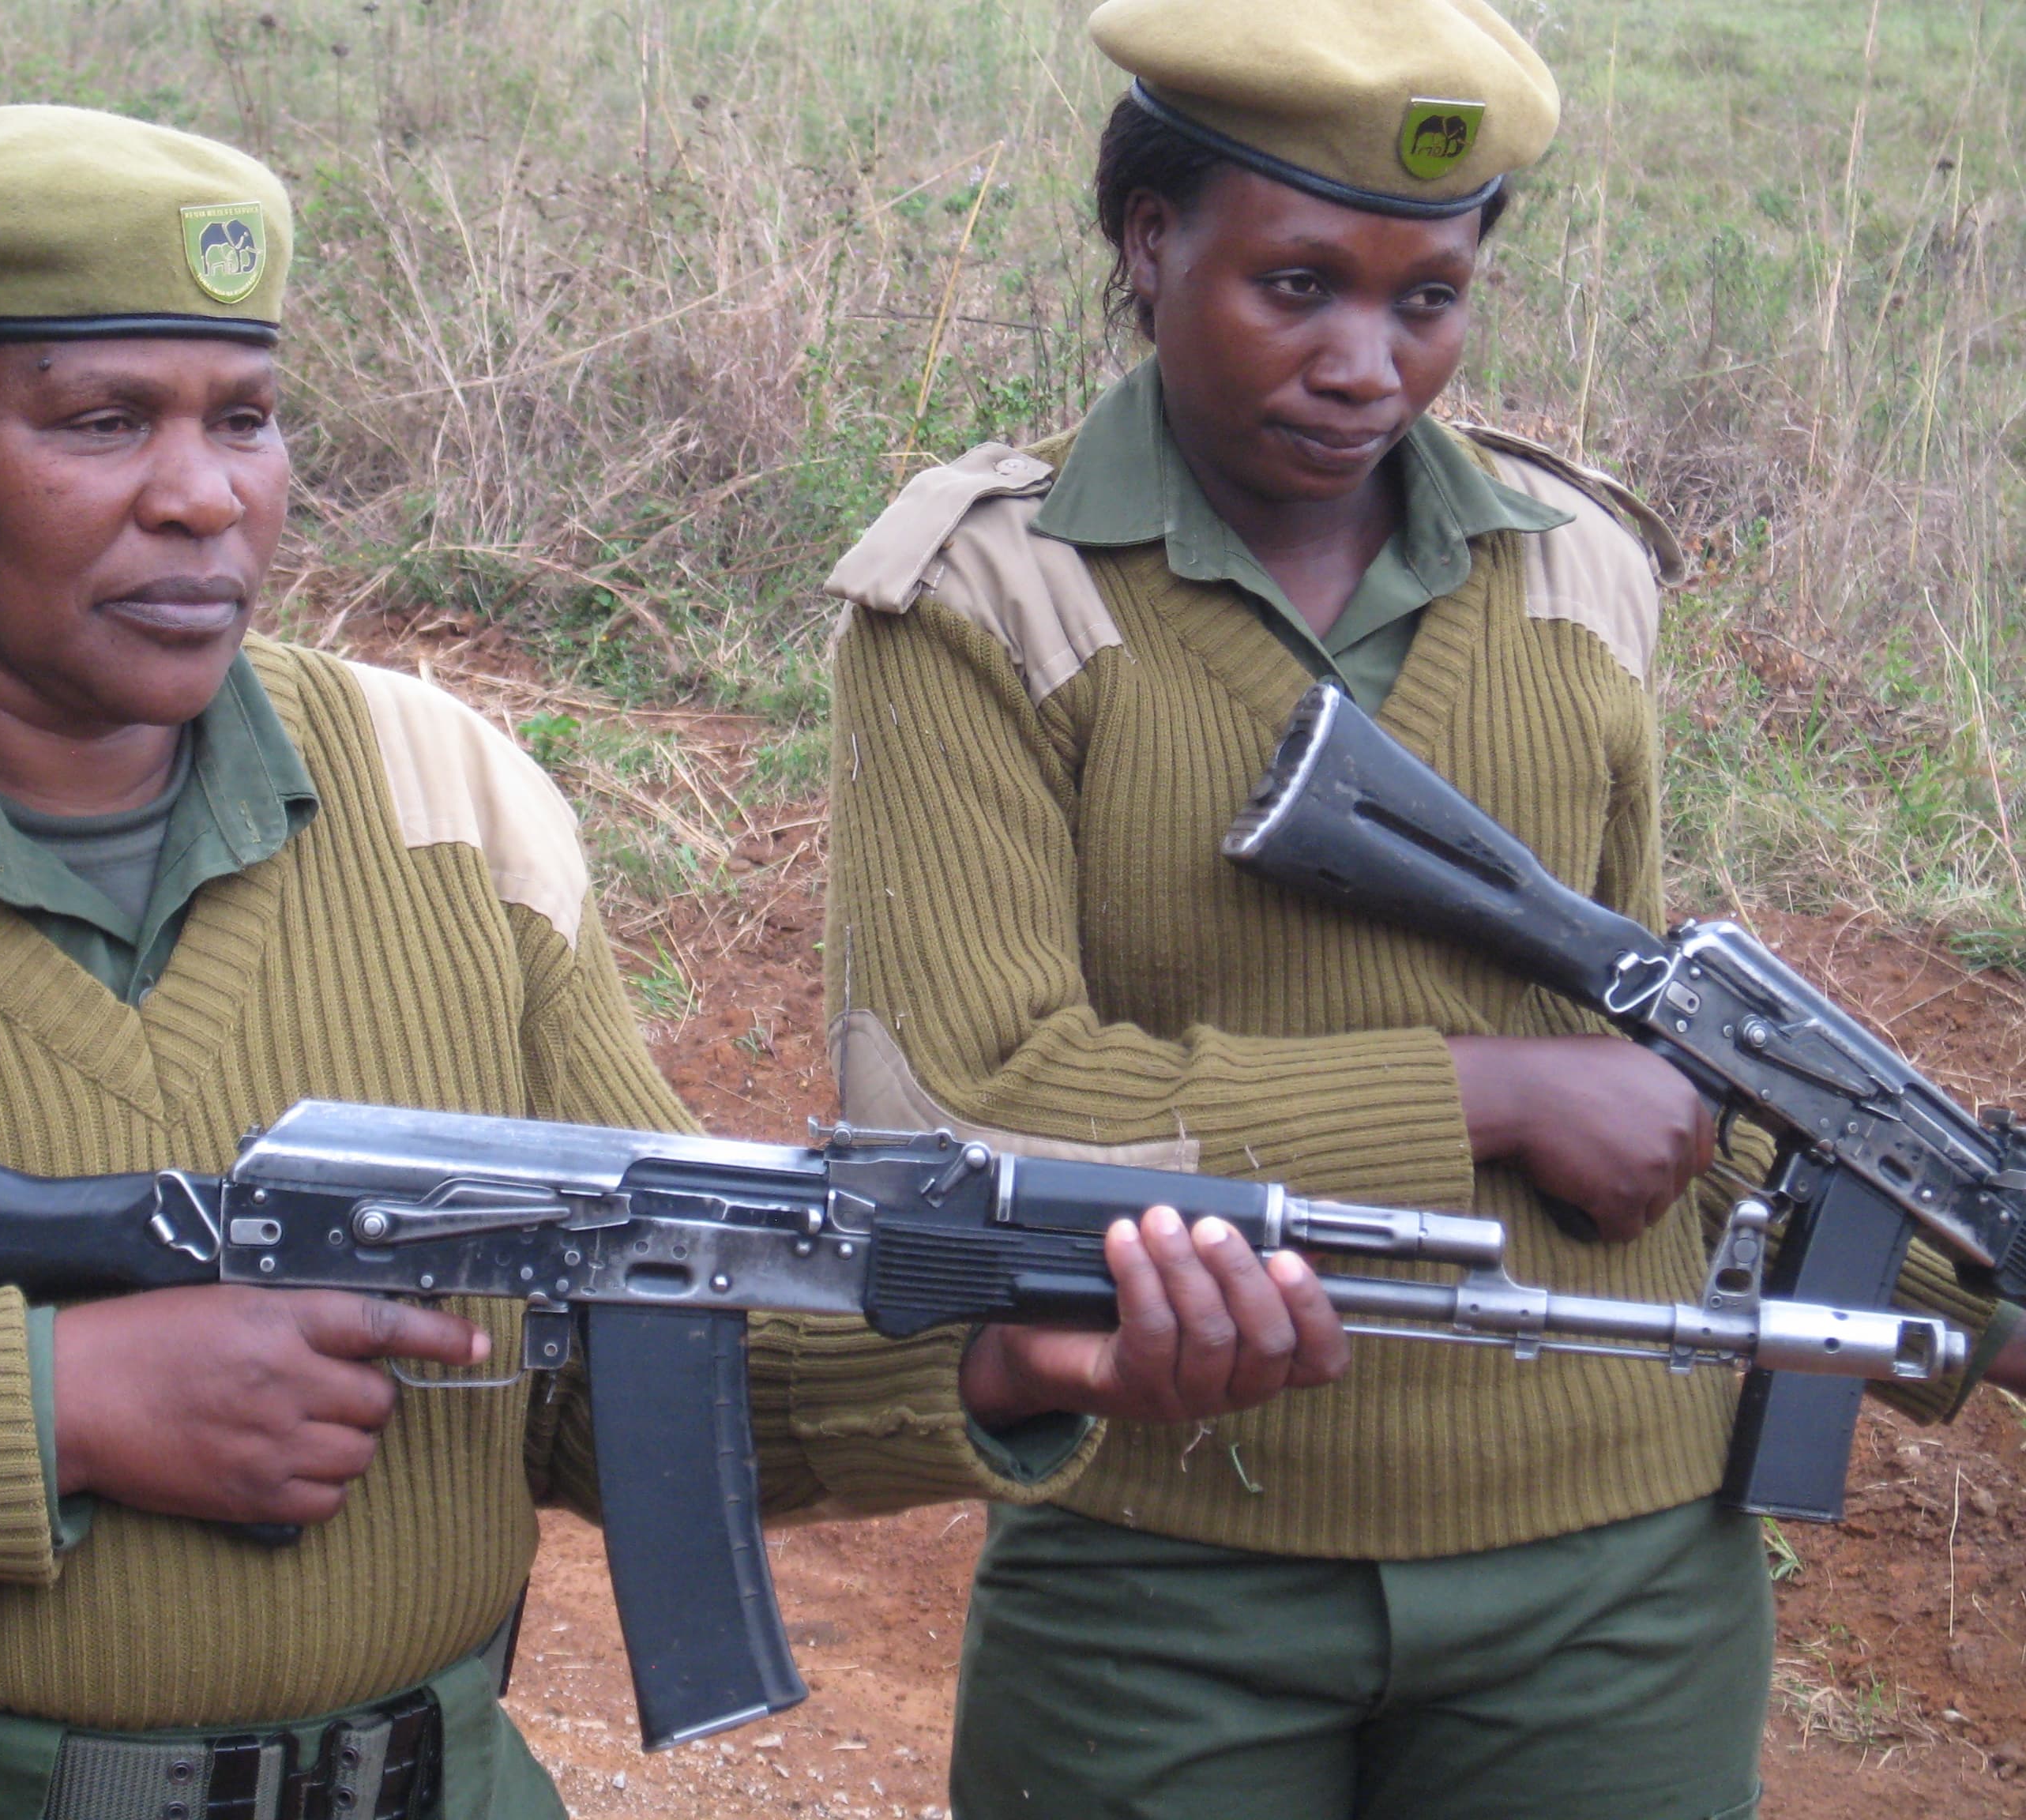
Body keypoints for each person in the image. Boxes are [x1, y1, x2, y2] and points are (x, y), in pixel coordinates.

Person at [0, 106, 1348, 1820]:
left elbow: (624, 1334)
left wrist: (993, 1349)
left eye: (251, 417)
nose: (207, 499)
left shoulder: (451, 801)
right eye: (106, 421)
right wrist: (60, 1403)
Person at [821, 2, 2024, 1815]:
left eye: (1428, 300)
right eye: (1297, 286)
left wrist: (1981, 1294)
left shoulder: (1577, 568)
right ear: (1151, 247)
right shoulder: (988, 598)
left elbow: (1671, 1061)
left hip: (1616, 1573)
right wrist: (1493, 1093)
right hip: (1168, 1561)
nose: (1367, 365)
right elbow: (958, 1113)